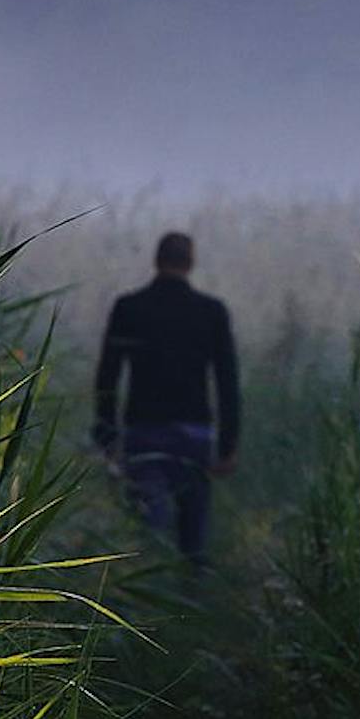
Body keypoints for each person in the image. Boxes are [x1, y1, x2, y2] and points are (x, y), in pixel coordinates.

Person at [92, 230, 240, 564]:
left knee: (148, 533)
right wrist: (228, 445)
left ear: (156, 261)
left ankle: (145, 607)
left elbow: (108, 377)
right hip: (195, 435)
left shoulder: (129, 308)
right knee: (194, 536)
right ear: (191, 263)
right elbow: (227, 381)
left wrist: (106, 435)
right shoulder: (211, 312)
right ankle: (192, 603)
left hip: (143, 433)